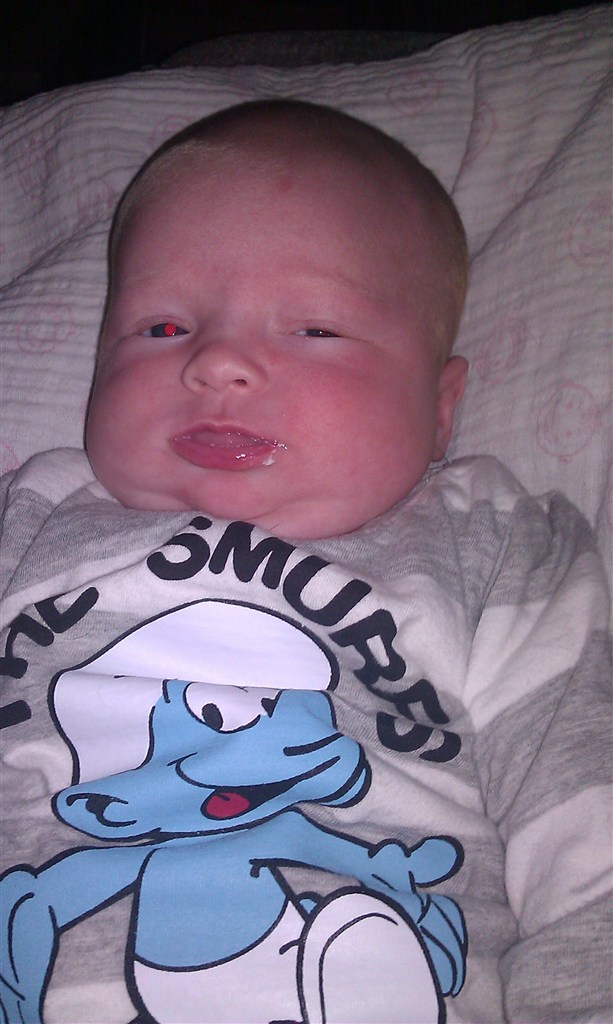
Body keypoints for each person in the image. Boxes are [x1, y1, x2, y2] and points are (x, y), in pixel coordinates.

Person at [0, 100, 610, 1024]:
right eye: (161, 328)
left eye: (315, 329)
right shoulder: (34, 517)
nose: (218, 364)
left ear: (438, 408)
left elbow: (584, 824)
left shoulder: (486, 543)